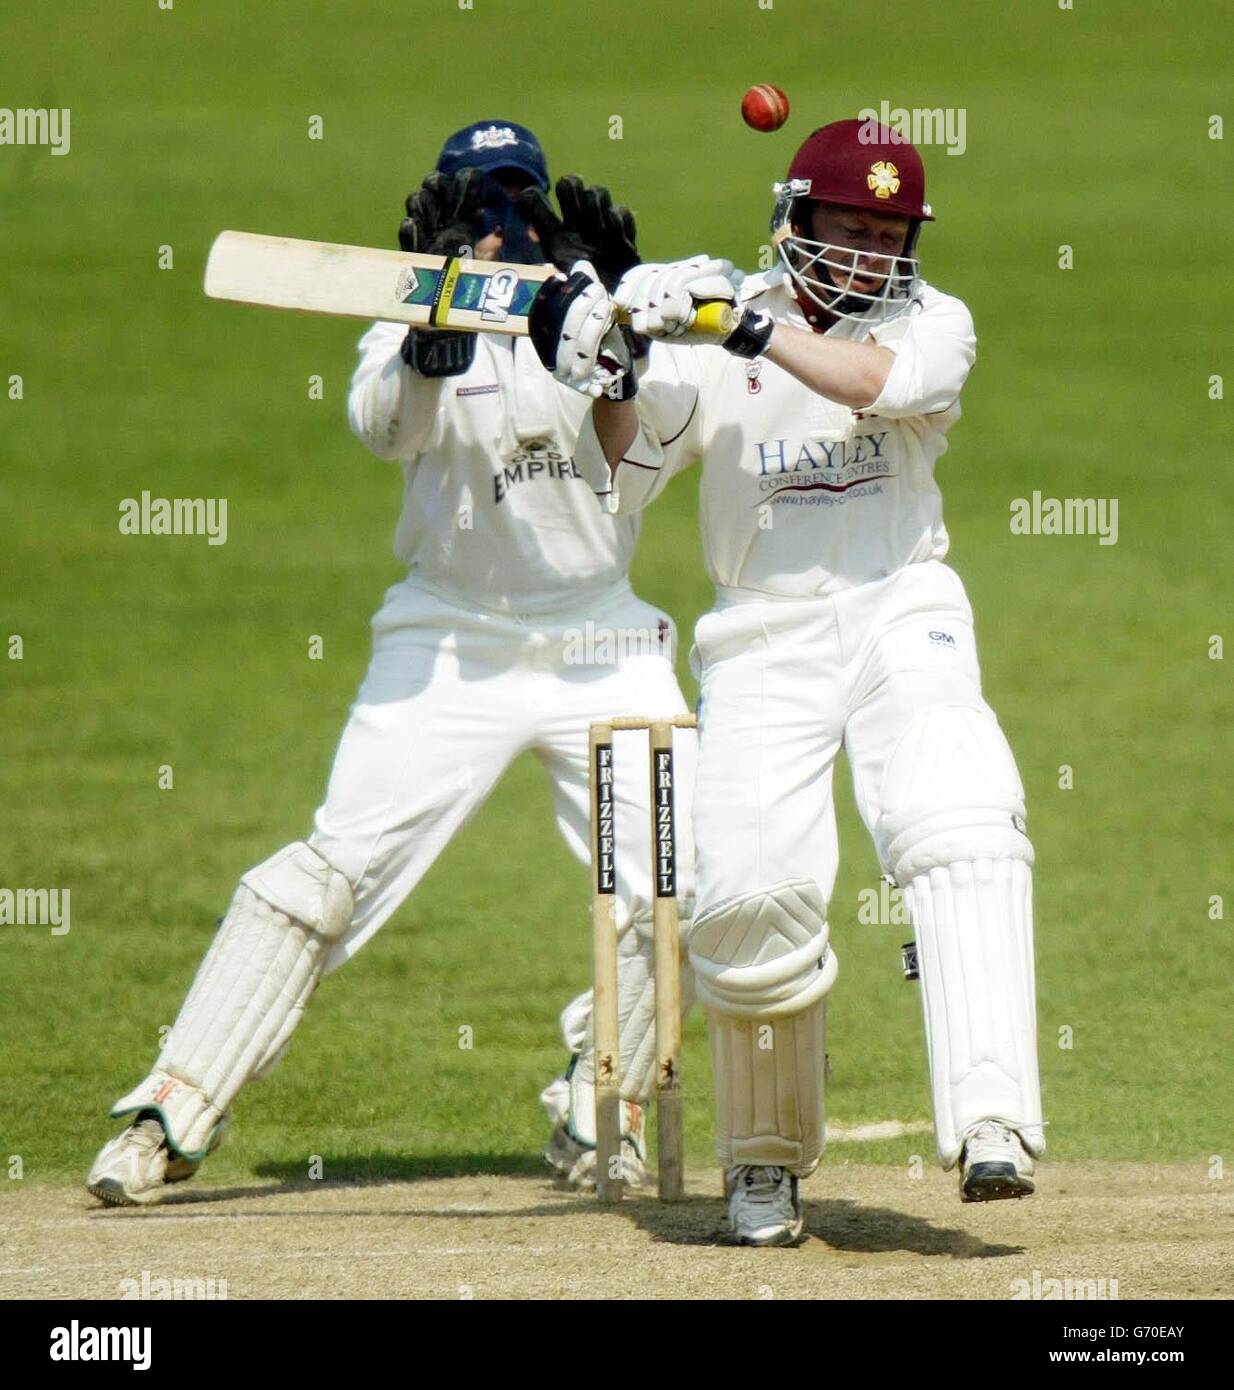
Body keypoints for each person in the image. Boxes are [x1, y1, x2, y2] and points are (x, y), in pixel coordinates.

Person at [86, 120, 695, 1206]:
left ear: (547, 208)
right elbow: (385, 430)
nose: (502, 218)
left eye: (519, 196)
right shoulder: (402, 320)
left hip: (601, 636)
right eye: (481, 199)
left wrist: (619, 347)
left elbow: (635, 469)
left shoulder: (596, 310)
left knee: (675, 880)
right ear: (449, 214)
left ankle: (608, 1108)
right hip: (449, 641)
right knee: (323, 875)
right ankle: (169, 1108)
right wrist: (428, 337)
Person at [531, 118, 1045, 1246]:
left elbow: (876, 381)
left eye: (887, 231)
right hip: (762, 634)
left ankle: (993, 1116)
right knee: (750, 895)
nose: (867, 250)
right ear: (797, 219)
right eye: (847, 227)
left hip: (900, 607)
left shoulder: (930, 321)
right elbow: (623, 464)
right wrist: (611, 360)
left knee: (959, 816)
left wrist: (741, 324)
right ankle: (762, 1165)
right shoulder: (714, 331)